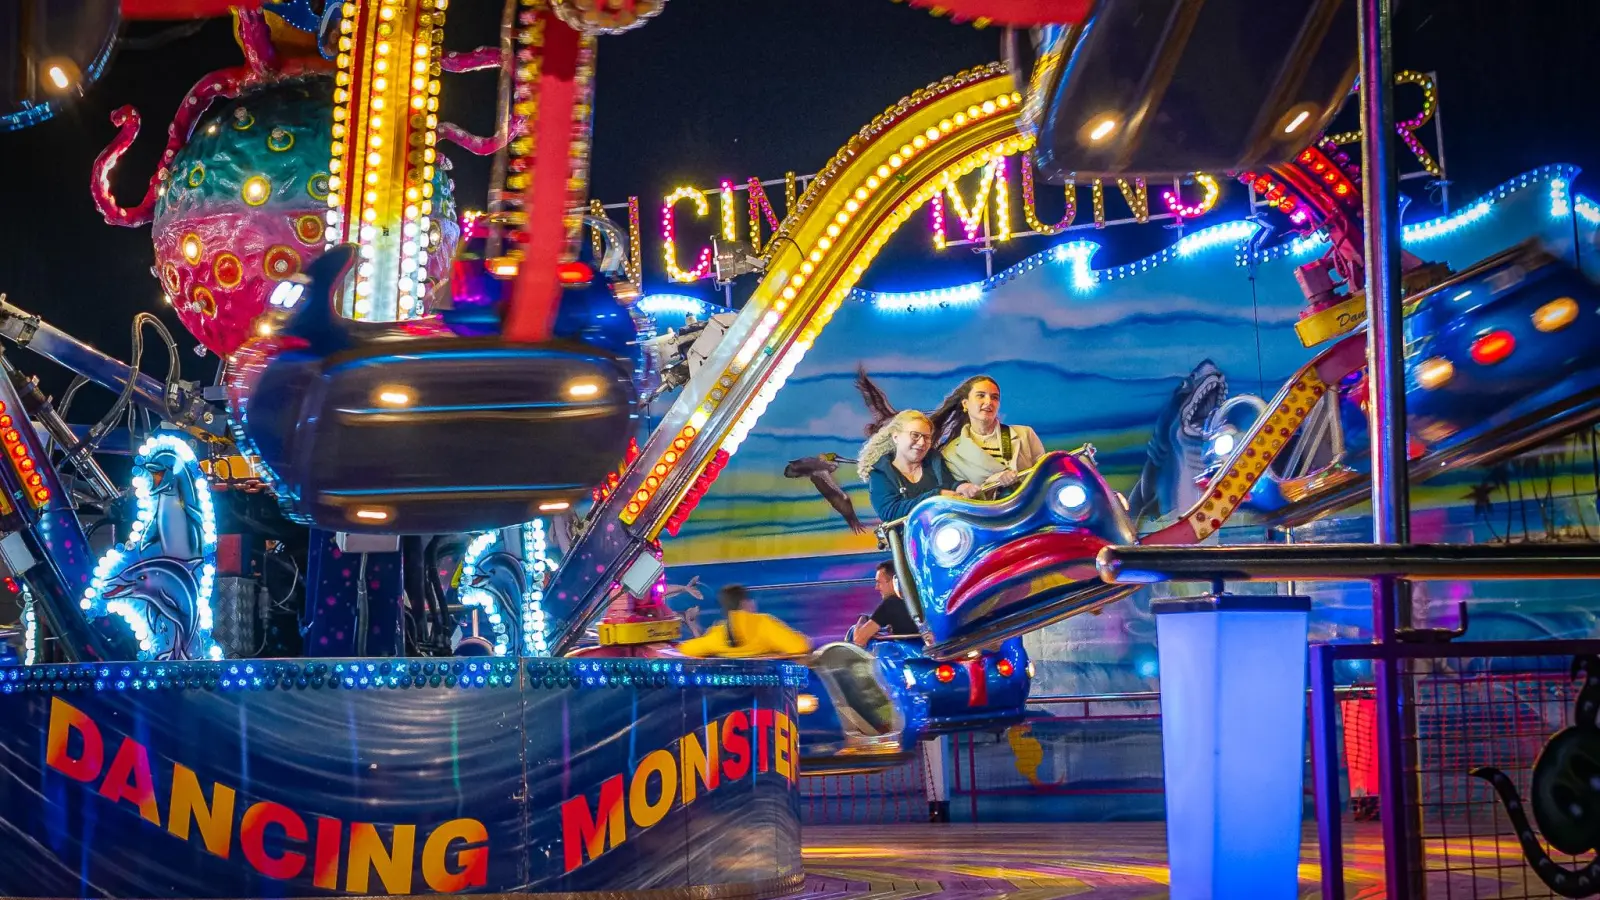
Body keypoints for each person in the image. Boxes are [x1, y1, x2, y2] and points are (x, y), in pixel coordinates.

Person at [933, 375, 1046, 498]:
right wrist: (991, 483)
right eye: (981, 395)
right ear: (965, 404)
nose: (988, 402)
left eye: (994, 397)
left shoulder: (1025, 434)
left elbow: (1045, 478)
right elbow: (962, 500)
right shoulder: (951, 454)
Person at [859, 409, 980, 523]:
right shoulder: (879, 473)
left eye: (927, 437)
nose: (922, 443)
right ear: (896, 437)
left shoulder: (934, 461)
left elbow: (949, 485)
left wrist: (961, 486)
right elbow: (890, 512)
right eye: (915, 435)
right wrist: (936, 496)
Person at [677, 584, 812, 659]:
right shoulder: (764, 623)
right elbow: (799, 647)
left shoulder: (719, 633)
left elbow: (687, 650)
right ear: (745, 603)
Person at [852, 560, 920, 645]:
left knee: (853, 631)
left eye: (879, 582)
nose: (876, 588)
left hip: (906, 656)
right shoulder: (923, 599)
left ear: (894, 581)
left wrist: (862, 619)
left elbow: (859, 640)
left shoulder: (891, 604)